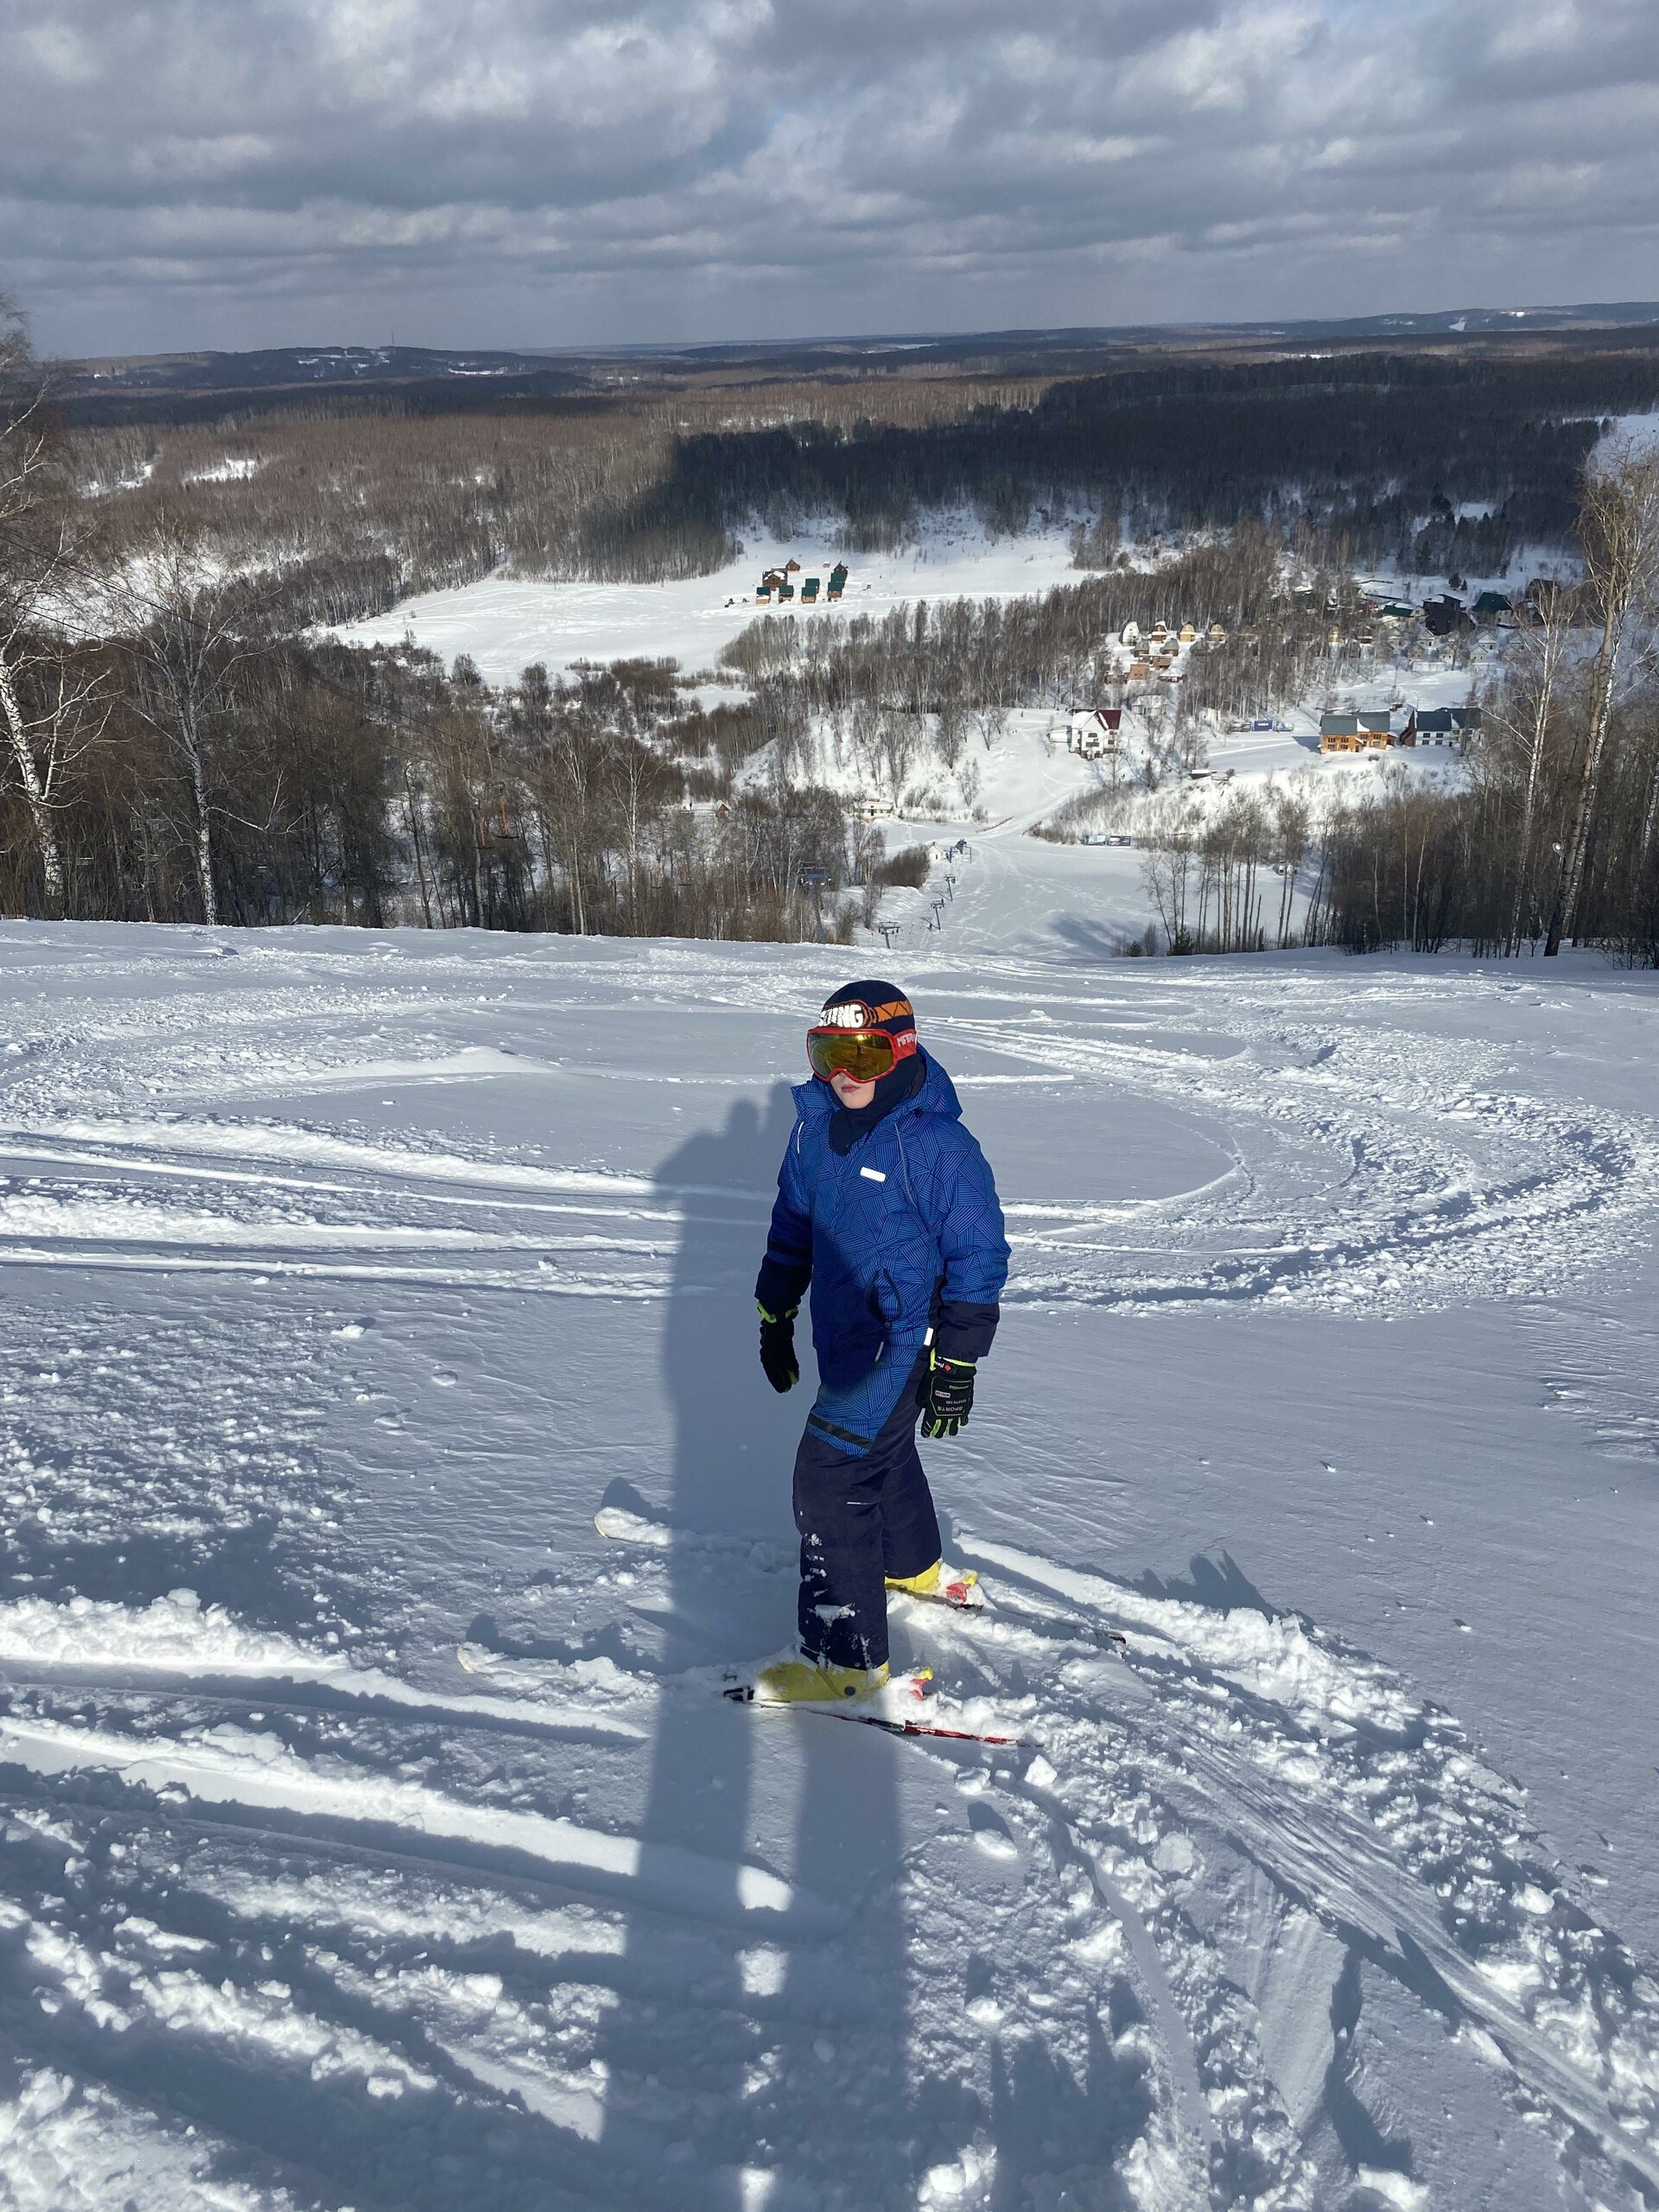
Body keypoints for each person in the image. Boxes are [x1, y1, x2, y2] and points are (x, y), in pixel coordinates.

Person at [752, 981, 1009, 1701]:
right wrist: (774, 1313)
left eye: (862, 1057)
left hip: (902, 1342)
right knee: (882, 1458)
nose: (844, 1075)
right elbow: (792, 1230)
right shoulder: (814, 1131)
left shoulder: (936, 1145)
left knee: (829, 1479)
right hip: (845, 1336)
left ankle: (845, 1664)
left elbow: (978, 1256)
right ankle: (912, 1567)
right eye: (831, 1053)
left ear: (898, 1051)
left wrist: (957, 1361)